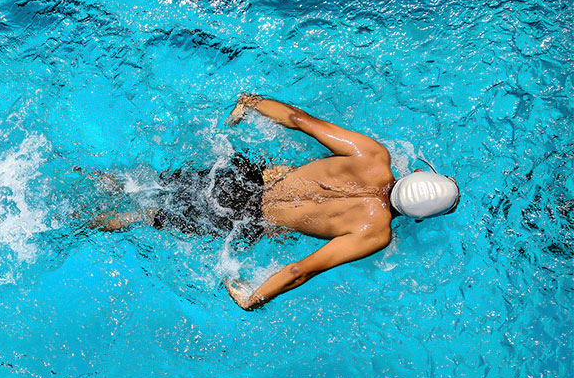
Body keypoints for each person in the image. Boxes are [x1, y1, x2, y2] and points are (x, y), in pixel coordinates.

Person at [94, 93, 460, 310]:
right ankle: (79, 221)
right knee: (146, 217)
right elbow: (301, 270)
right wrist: (255, 297)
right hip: (245, 218)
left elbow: (300, 120)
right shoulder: (375, 232)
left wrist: (251, 103)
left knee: (147, 184)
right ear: (420, 218)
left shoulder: (373, 155)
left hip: (241, 177)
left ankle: (91, 176)